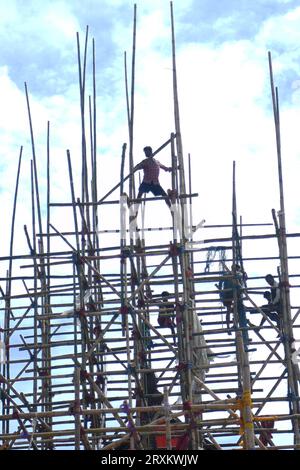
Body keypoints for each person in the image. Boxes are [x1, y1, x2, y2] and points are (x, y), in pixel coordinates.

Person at [131, 146, 172, 220]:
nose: (146, 153)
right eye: (145, 152)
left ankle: (172, 210)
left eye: (147, 152)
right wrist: (133, 169)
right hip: (146, 182)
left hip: (155, 183)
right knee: (139, 196)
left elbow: (165, 168)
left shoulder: (157, 162)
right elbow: (138, 166)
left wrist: (170, 169)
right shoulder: (145, 161)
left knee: (165, 196)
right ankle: (135, 214)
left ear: (151, 151)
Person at [219, 264, 246, 335]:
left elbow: (220, 283)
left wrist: (220, 292)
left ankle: (231, 326)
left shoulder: (226, 274)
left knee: (231, 310)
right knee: (234, 310)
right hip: (231, 294)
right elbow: (241, 284)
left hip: (229, 294)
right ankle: (232, 325)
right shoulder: (238, 274)